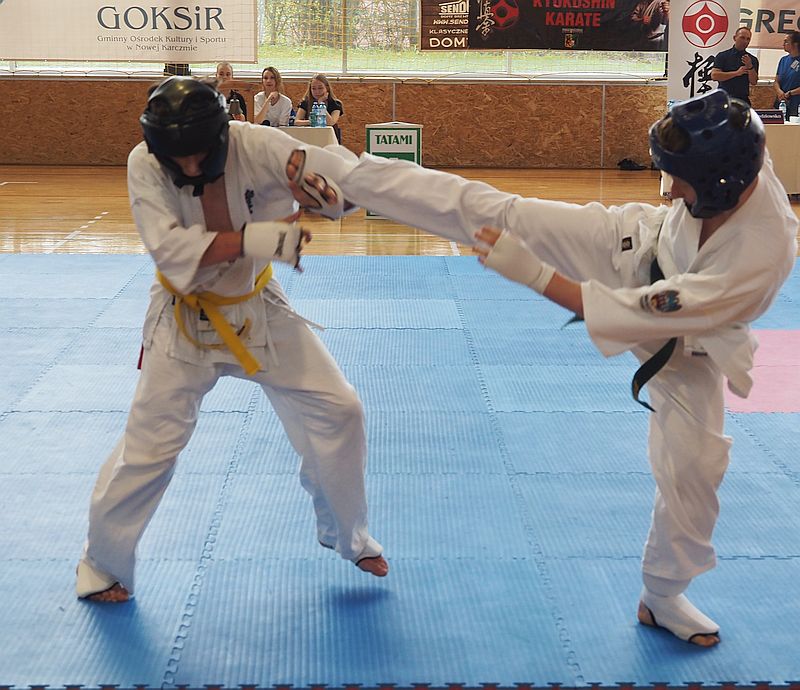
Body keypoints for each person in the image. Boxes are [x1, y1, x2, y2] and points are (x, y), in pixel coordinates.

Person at [285, 90, 797, 646]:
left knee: (696, 471)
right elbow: (714, 136)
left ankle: (663, 595)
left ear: (721, 184)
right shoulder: (738, 150)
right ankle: (344, 175)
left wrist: (531, 273)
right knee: (500, 210)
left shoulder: (759, 258)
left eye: (680, 181)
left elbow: (633, 312)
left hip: (687, 338)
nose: (669, 189)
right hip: (633, 243)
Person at [75, 76, 388, 603]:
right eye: (178, 159)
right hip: (182, 320)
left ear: (220, 136)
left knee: (340, 409)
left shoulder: (258, 144)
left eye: (199, 155)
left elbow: (333, 179)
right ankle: (101, 567)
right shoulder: (144, 163)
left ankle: (347, 536)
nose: (189, 166)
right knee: (146, 451)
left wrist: (335, 198)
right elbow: (171, 252)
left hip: (257, 307)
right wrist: (261, 237)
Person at [711, 27, 759, 105]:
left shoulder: (752, 59)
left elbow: (754, 82)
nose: (745, 41)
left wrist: (750, 67)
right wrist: (736, 73)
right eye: (742, 38)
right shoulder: (723, 56)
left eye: (748, 39)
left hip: (742, 100)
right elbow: (714, 76)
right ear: (735, 38)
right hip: (724, 98)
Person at [295, 74, 344, 143]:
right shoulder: (305, 102)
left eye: (320, 88)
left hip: (328, 138)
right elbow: (297, 122)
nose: (317, 92)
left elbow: (330, 122)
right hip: (310, 137)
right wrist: (312, 122)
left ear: (327, 88)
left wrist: (321, 103)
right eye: (313, 89)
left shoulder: (335, 104)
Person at [773, 31, 800, 118]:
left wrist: (790, 93)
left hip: (796, 104)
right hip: (781, 103)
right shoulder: (783, 60)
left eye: (786, 41)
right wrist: (779, 92)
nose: (783, 44)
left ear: (795, 44)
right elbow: (776, 81)